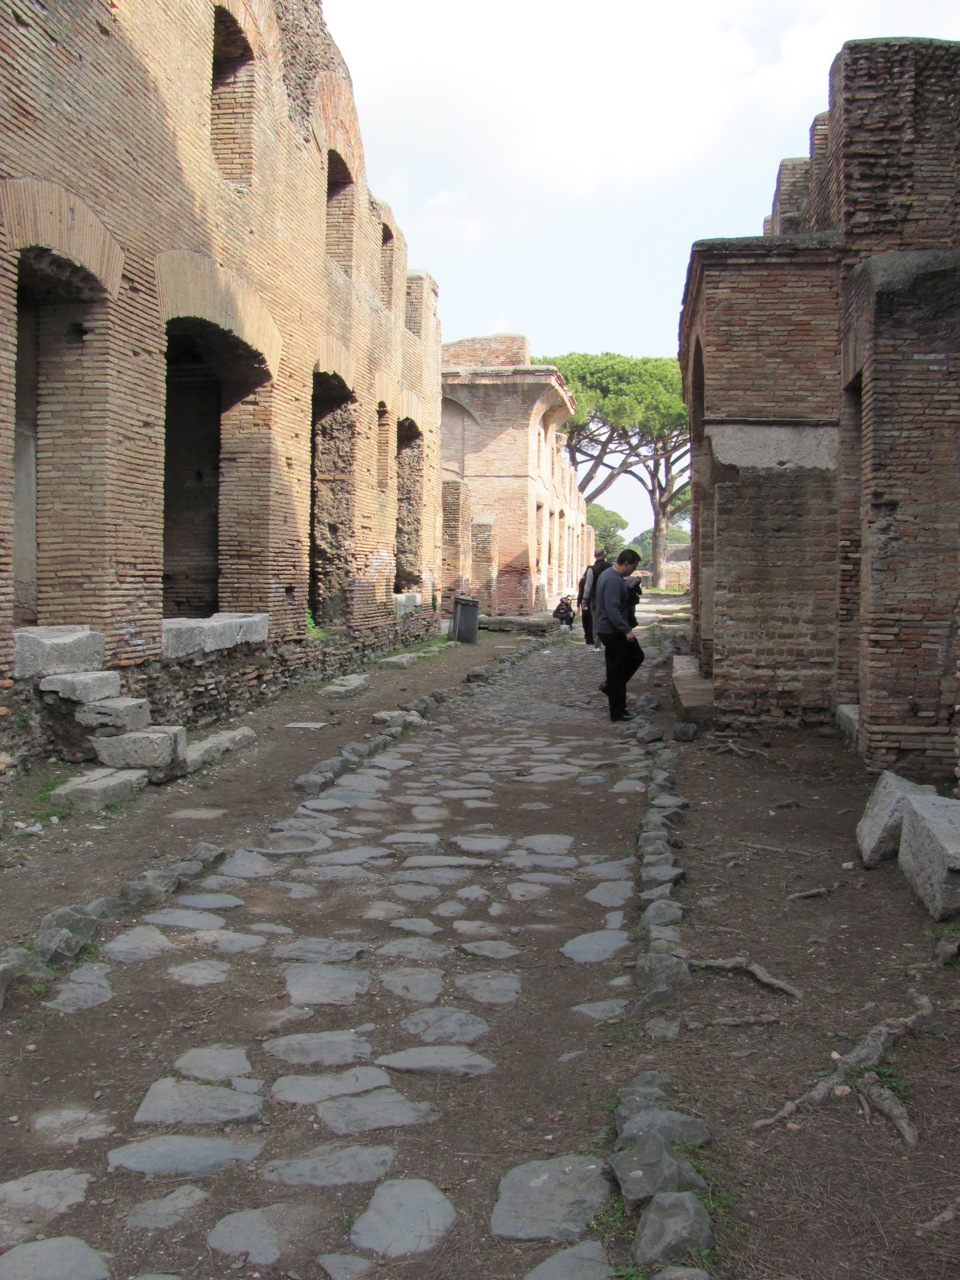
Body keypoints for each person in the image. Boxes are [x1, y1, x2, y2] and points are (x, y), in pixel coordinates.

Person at [594, 548, 645, 721]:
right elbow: (612, 609)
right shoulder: (613, 580)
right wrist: (626, 630)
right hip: (613, 630)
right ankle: (618, 710)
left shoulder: (609, 574)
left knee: (629, 661)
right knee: (619, 668)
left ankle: (611, 688)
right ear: (626, 564)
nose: (633, 570)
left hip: (609, 629)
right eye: (633, 566)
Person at [579, 548, 610, 650]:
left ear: (594, 556)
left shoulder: (591, 569)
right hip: (609, 598)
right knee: (610, 620)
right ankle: (610, 644)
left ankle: (597, 645)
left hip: (595, 599)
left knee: (596, 621)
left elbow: (587, 587)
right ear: (604, 555)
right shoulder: (610, 568)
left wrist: (584, 600)